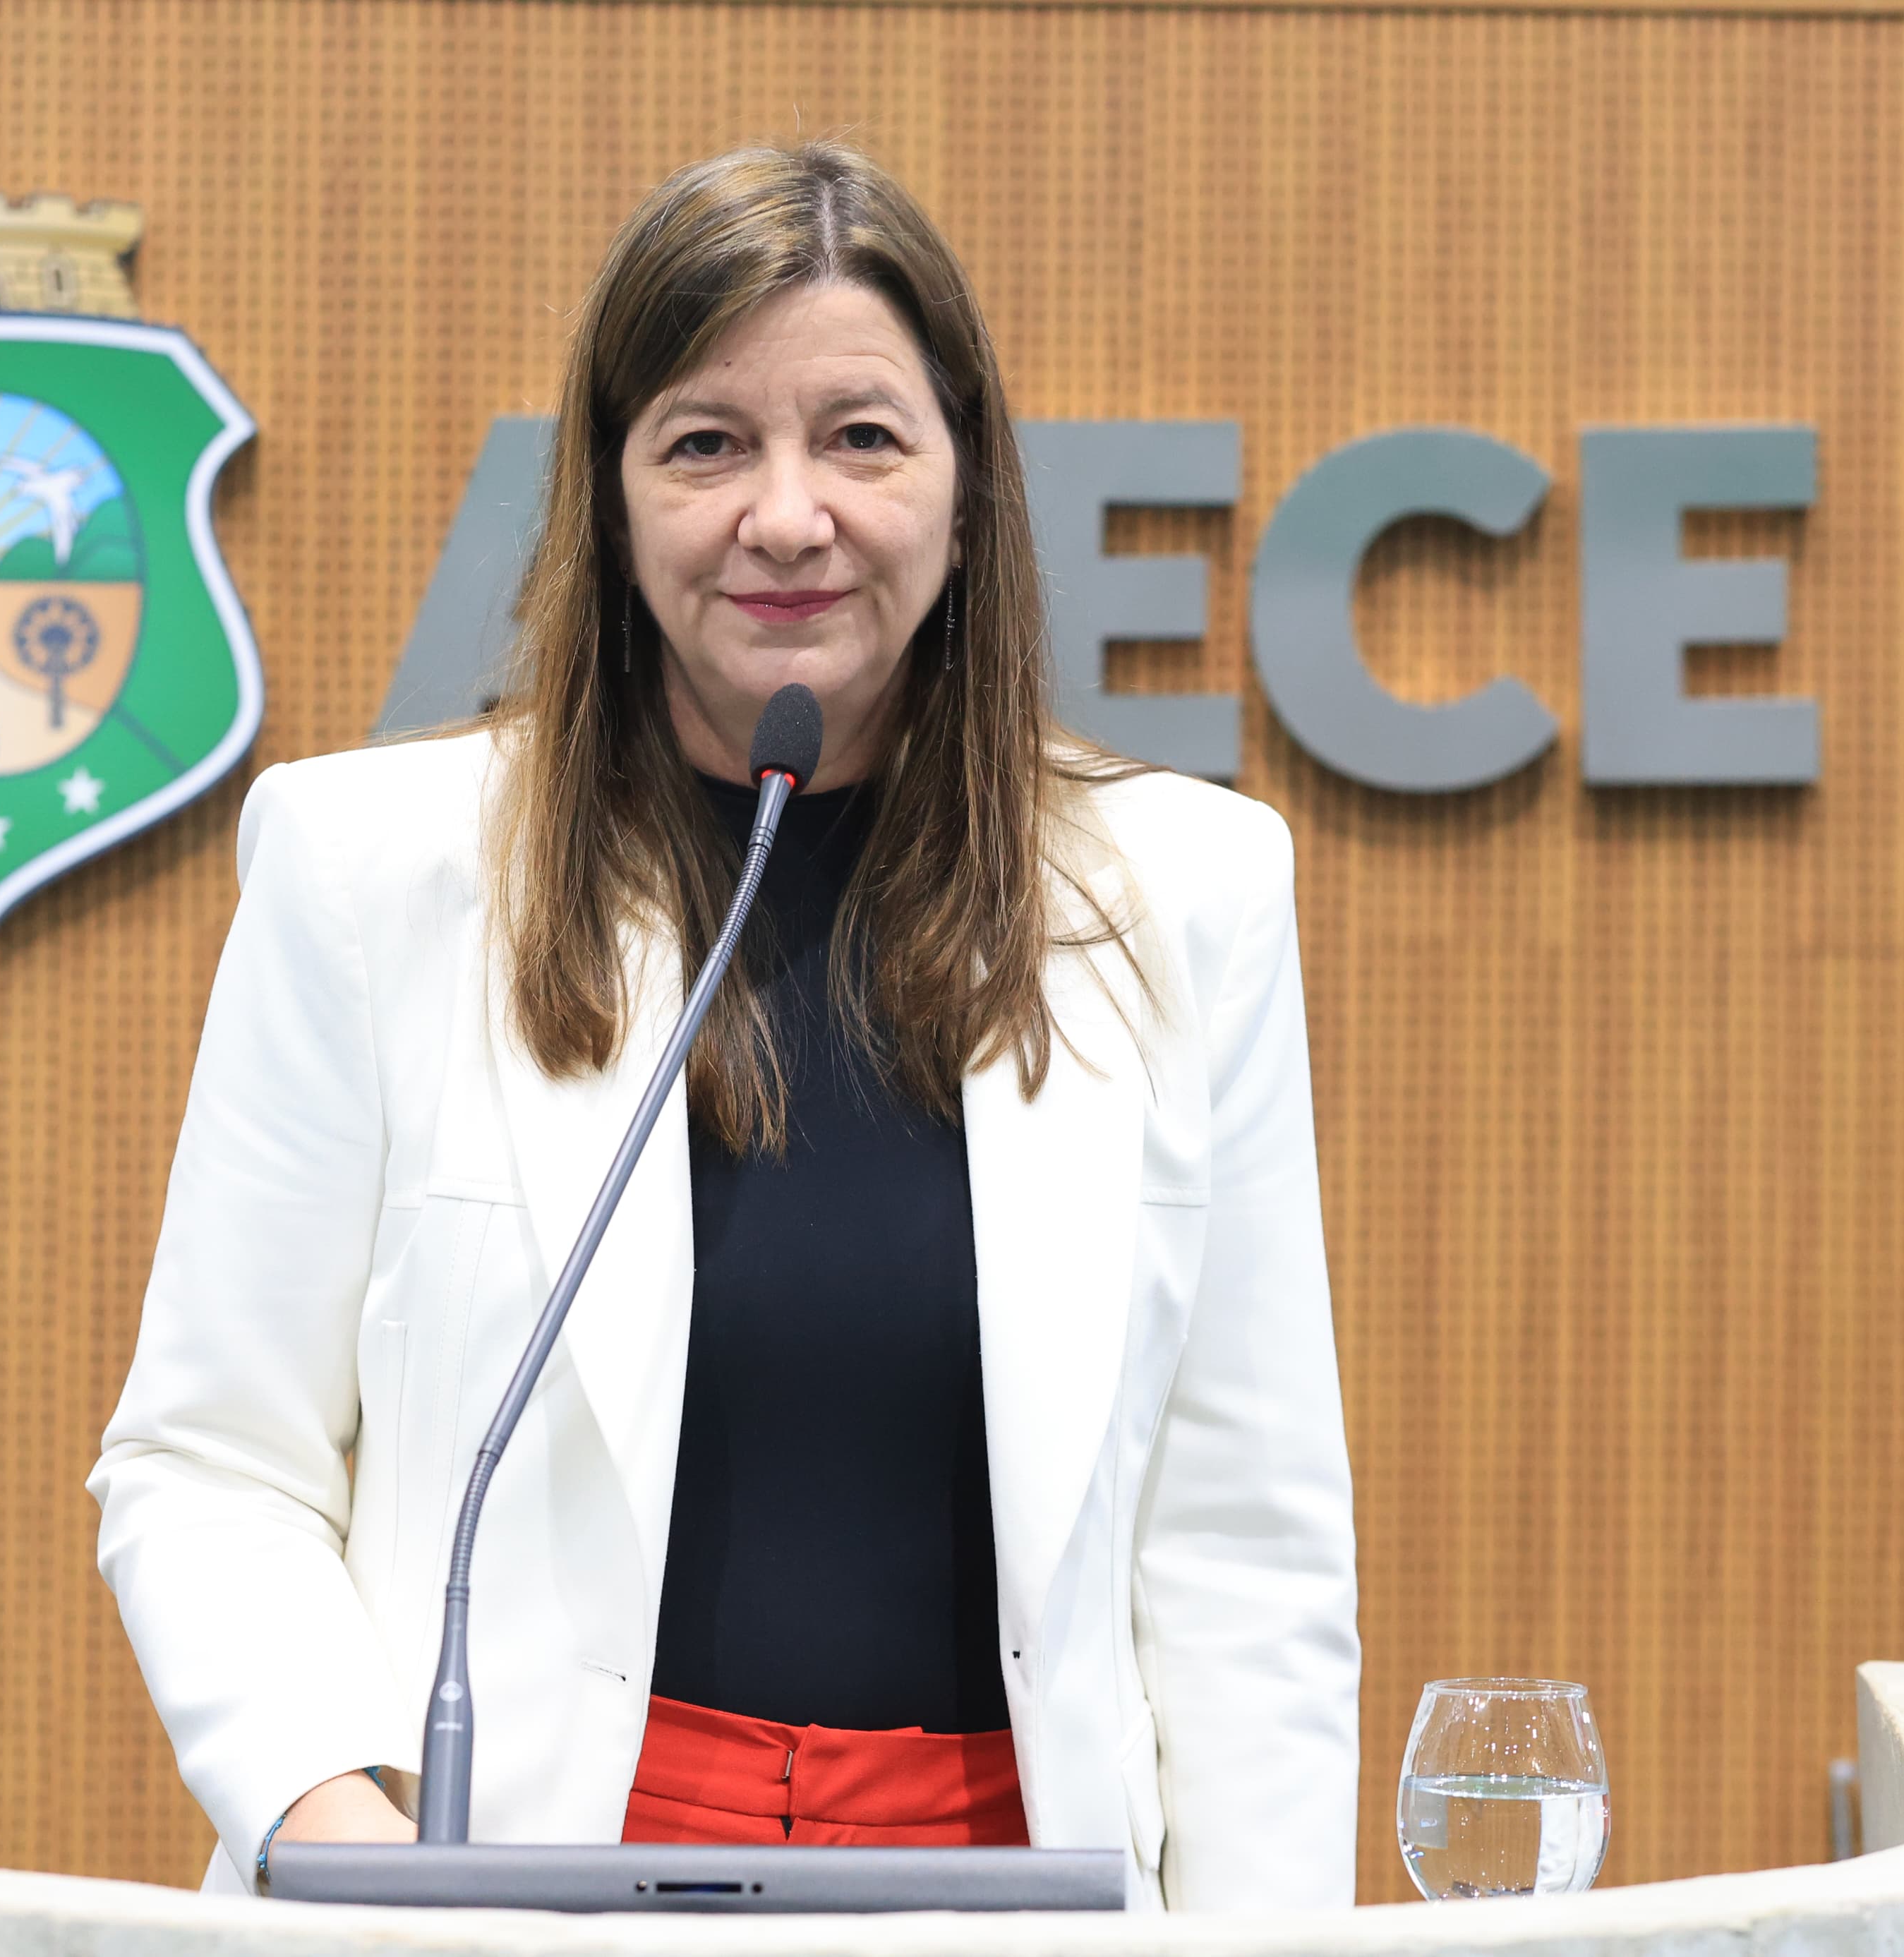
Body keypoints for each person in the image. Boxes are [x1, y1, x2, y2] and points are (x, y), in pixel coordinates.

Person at [88, 137, 1359, 1912]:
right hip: (510, 1894)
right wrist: (337, 1835)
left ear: (967, 483)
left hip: (1011, 1892)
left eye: (861, 437)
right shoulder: (373, 869)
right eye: (704, 444)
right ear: (609, 501)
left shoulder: (1186, 891)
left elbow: (1246, 1553)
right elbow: (210, 1461)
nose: (786, 515)